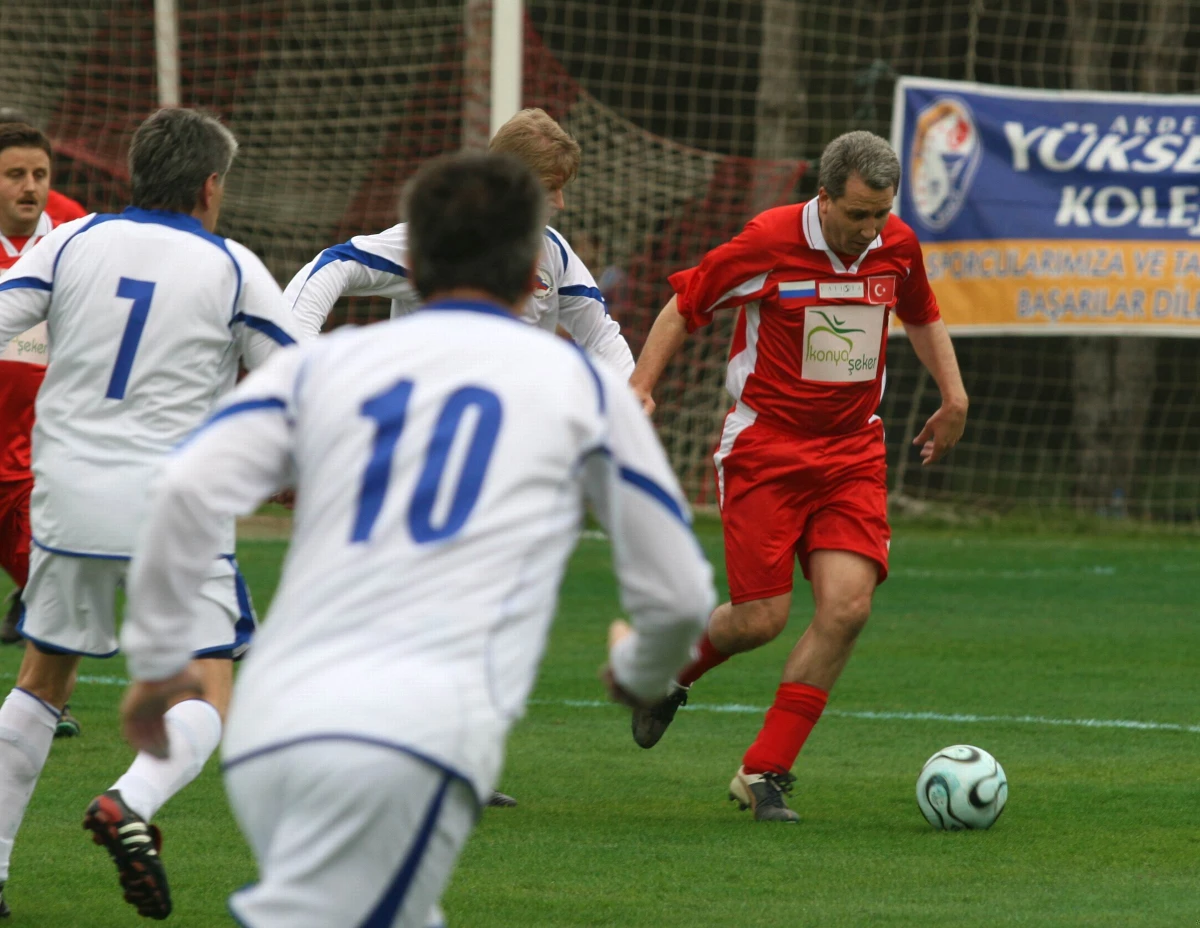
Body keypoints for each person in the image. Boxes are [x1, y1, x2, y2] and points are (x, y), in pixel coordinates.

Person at [117, 151, 713, 928]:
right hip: (412, 730)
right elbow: (680, 596)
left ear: (418, 262)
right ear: (528, 273)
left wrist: (161, 660)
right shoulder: (580, 390)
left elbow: (185, 489)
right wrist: (639, 667)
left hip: (273, 723)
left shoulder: (324, 368)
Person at [0, 107, 304, 919]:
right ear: (210, 186)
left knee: (41, 682)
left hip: (65, 502)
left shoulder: (69, 241)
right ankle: (128, 803)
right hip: (175, 510)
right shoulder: (232, 266)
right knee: (210, 687)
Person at [626, 130, 969, 822]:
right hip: (766, 449)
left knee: (847, 607)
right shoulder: (767, 242)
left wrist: (954, 398)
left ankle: (764, 773)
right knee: (760, 619)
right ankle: (665, 675)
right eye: (857, 215)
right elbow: (683, 306)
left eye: (881, 214)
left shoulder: (896, 246)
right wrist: (639, 386)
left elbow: (922, 313)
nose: (870, 230)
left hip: (851, 452)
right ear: (825, 196)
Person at [283, 107, 634, 379]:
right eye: (549, 189)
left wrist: (630, 394)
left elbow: (601, 336)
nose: (560, 204)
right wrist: (297, 354)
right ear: (509, 182)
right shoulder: (439, 238)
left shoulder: (553, 251)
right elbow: (336, 263)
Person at [0, 122, 83, 737]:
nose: (30, 188)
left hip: (39, 456)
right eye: (14, 175)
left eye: (39, 175)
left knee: (51, 579)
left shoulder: (74, 236)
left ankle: (46, 703)